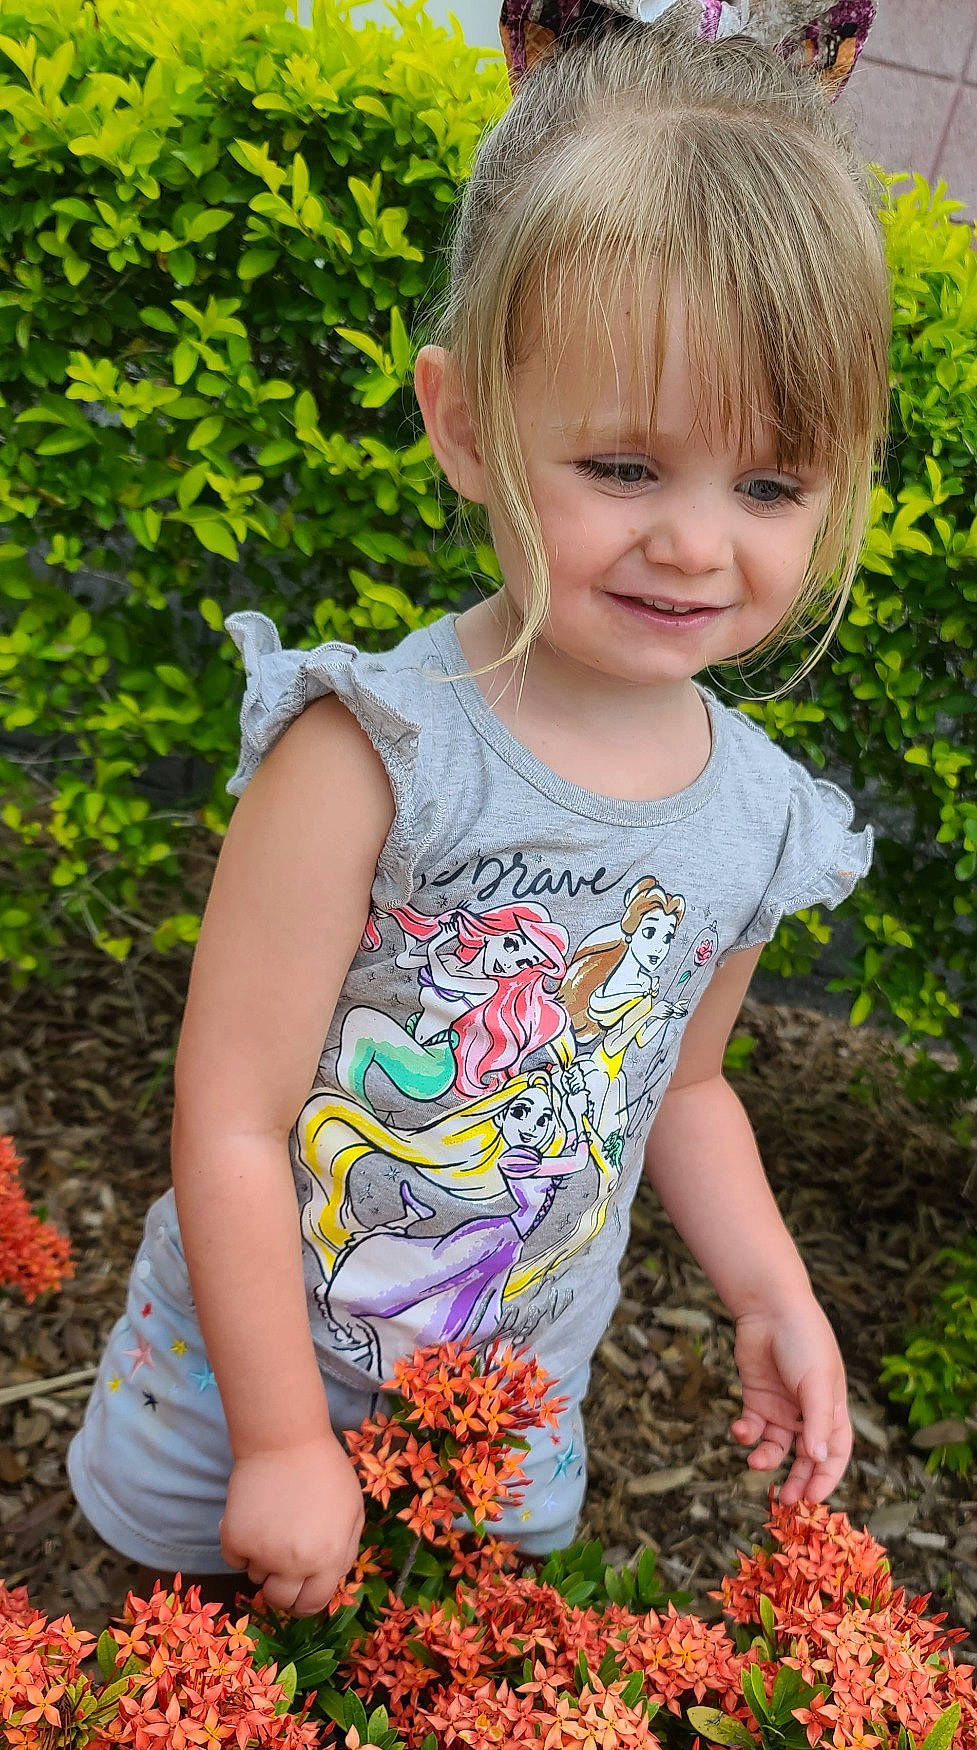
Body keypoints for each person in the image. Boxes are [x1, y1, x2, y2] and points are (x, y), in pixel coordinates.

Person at [67, 0, 890, 1616]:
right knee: (164, 1685)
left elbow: (685, 1087)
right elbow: (229, 1117)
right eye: (624, 467)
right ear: (464, 424)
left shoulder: (754, 818)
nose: (695, 544)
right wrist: (280, 1441)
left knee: (436, 1710)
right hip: (236, 1383)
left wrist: (769, 1289)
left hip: (503, 1411)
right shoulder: (372, 753)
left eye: (769, 484)